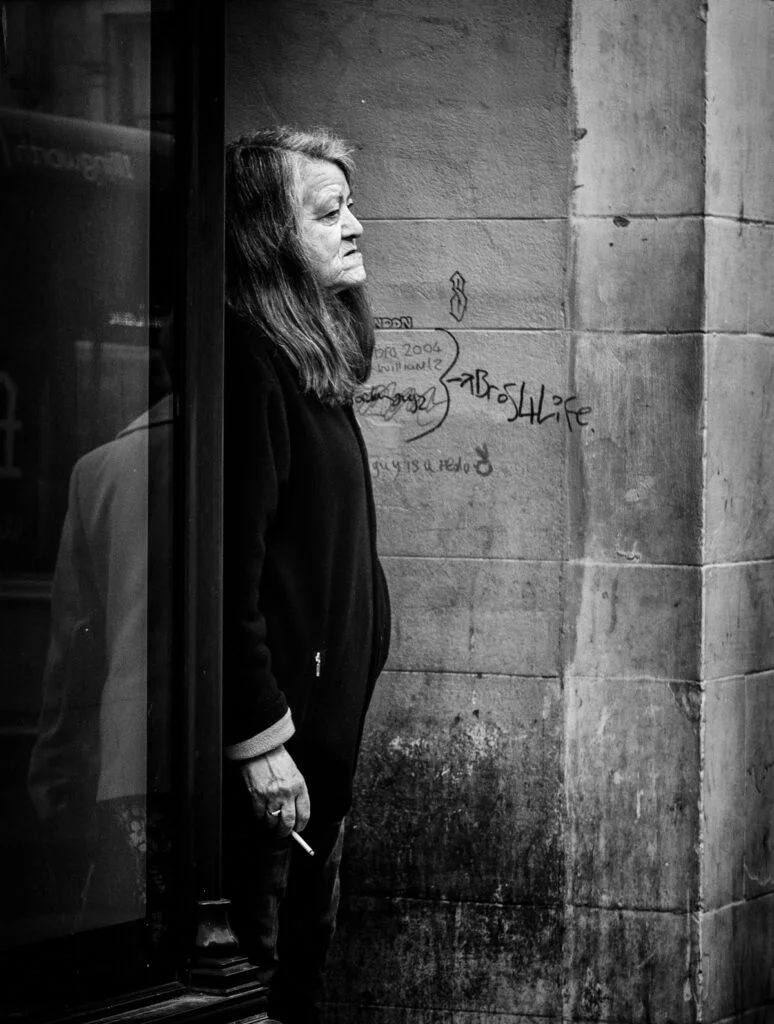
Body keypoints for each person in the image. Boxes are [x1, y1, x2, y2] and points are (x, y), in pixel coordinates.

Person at [222, 127, 391, 1024]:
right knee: (263, 990)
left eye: (349, 205)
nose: (356, 227)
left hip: (319, 752)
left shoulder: (307, 365)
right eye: (329, 213)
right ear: (266, 238)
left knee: (300, 983)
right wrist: (259, 741)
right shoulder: (250, 366)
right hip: (278, 766)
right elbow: (223, 571)